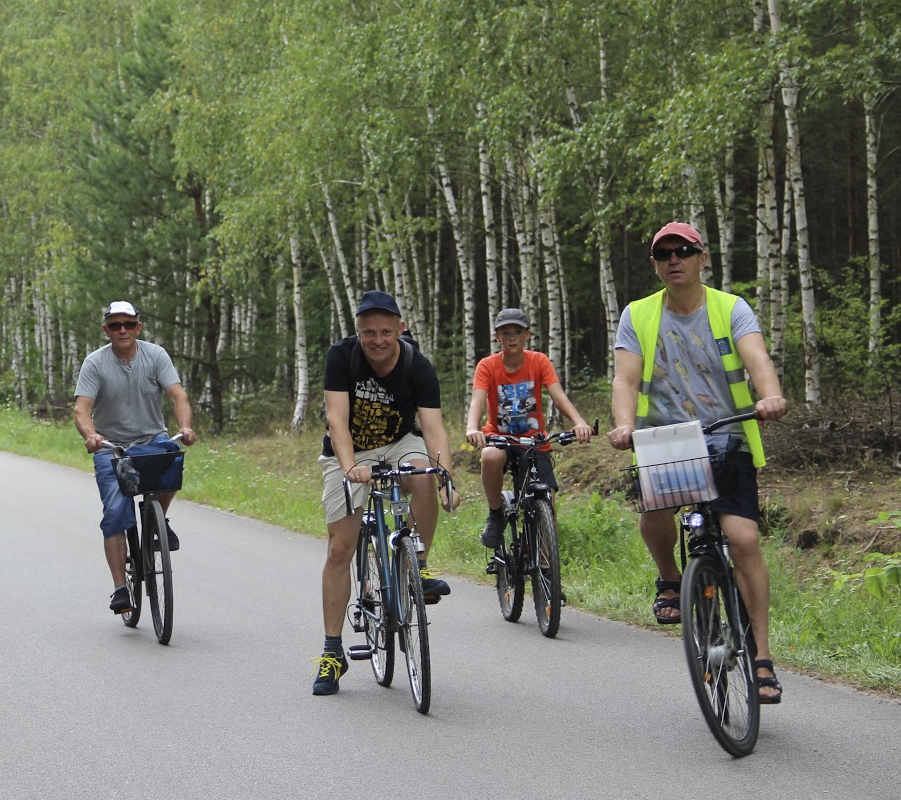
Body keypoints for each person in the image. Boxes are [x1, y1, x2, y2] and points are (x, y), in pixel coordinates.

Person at [609, 220, 788, 703]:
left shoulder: (731, 308)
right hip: (667, 441)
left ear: (701, 257)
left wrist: (770, 396)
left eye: (683, 251)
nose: (674, 260)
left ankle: (763, 657)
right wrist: (625, 424)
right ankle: (670, 579)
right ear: (654, 263)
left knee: (743, 537)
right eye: (664, 253)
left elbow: (757, 360)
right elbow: (625, 379)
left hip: (727, 437)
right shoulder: (638, 315)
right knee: (654, 513)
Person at [313, 290, 460, 696]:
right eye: (367, 332)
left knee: (422, 474)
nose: (377, 340)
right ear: (357, 331)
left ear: (401, 328)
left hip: (398, 442)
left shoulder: (416, 364)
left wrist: (446, 474)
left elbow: (432, 429)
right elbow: (337, 421)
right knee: (340, 550)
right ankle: (331, 651)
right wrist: (349, 467)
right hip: (349, 451)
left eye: (385, 331)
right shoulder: (341, 357)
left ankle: (420, 563)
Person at [73, 301, 197, 616]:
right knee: (115, 512)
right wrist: (91, 435)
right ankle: (119, 588)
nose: (123, 330)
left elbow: (178, 395)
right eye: (115, 325)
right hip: (111, 446)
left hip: (151, 439)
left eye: (128, 324)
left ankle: (157, 519)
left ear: (138, 327)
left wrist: (184, 426)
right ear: (106, 330)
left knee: (172, 456)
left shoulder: (155, 355)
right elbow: (81, 409)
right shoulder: (95, 363)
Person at [464, 308, 594, 549]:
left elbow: (558, 395)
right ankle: (496, 514)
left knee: (548, 500)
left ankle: (547, 573)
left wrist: (579, 423)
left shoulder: (539, 361)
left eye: (517, 332)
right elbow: (477, 400)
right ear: (497, 337)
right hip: (500, 438)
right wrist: (473, 428)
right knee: (490, 456)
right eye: (505, 332)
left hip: (533, 441)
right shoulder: (487, 366)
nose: (512, 337)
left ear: (527, 335)